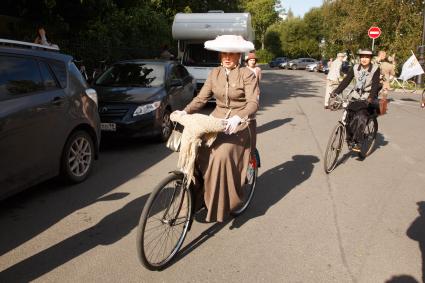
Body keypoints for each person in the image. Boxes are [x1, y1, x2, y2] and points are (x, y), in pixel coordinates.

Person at [172, 35, 259, 222]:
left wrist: (238, 117)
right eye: (223, 53)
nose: (227, 57)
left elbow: (253, 103)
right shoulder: (215, 74)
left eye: (231, 54)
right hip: (216, 122)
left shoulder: (247, 74)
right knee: (193, 149)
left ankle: (221, 202)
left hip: (242, 125)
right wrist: (184, 112)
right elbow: (201, 99)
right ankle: (193, 199)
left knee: (221, 155)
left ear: (239, 55)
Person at [331, 48, 381, 152]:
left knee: (361, 116)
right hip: (356, 96)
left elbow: (375, 85)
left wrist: (371, 98)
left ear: (370, 58)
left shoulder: (375, 69)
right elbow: (346, 81)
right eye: (362, 57)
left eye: (367, 57)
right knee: (348, 116)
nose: (364, 59)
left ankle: (358, 142)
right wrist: (336, 91)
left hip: (368, 97)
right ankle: (350, 139)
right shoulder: (355, 68)